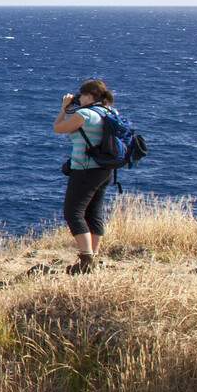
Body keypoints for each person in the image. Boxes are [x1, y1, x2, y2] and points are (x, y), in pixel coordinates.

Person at [52, 78, 118, 274]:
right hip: (105, 169)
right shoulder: (110, 112)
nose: (78, 98)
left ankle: (86, 259)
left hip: (85, 169)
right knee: (93, 212)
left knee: (73, 212)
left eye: (81, 95)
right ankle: (93, 258)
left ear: (90, 96)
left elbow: (58, 128)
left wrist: (64, 108)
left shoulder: (84, 114)